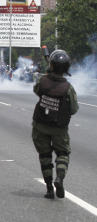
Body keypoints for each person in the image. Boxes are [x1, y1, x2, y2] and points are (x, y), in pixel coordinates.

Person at [32, 49, 79, 199]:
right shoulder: (68, 88)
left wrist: (47, 77)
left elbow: (37, 91)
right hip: (59, 128)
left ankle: (49, 189)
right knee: (63, 154)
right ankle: (60, 177)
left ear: (51, 65)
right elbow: (73, 109)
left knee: (45, 157)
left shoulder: (42, 81)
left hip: (40, 126)